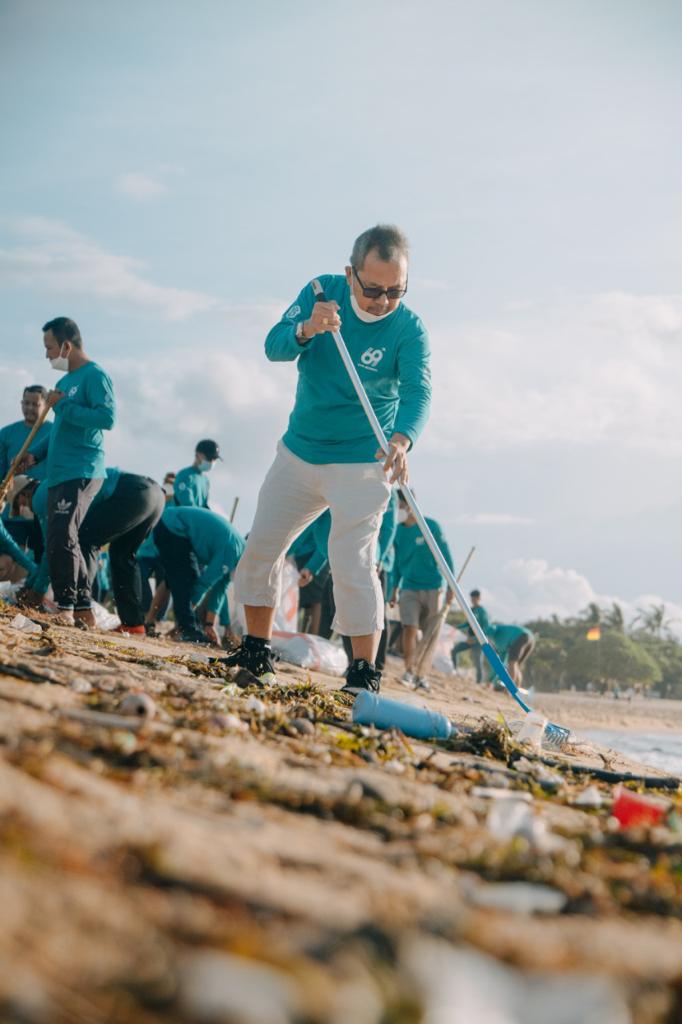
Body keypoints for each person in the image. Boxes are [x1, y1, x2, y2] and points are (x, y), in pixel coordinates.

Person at [230, 224, 431, 692]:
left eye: (395, 291)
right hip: (300, 451)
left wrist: (402, 440)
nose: (382, 300)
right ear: (351, 273)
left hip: (364, 461)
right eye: (373, 288)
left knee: (353, 564)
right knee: (261, 547)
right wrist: (306, 329)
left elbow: (419, 391)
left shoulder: (408, 328)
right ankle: (256, 650)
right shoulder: (322, 292)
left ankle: (363, 674)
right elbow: (273, 346)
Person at [21, 317, 115, 627]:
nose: (47, 355)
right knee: (61, 536)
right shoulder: (62, 384)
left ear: (66, 345)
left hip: (83, 468)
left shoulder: (94, 376)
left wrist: (65, 407)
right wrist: (36, 454)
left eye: (49, 348)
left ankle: (66, 606)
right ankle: (83, 607)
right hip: (59, 471)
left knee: (62, 535)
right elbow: (58, 429)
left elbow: (106, 418)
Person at [21, 468, 164, 634]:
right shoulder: (54, 482)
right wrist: (33, 584)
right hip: (154, 495)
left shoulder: (40, 495)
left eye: (21, 505)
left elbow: (54, 546)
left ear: (24, 494)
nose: (25, 510)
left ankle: (81, 609)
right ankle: (133, 625)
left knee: (85, 541)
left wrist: (37, 589)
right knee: (122, 556)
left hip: (130, 492)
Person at [154, 505, 245, 645]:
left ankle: (155, 622)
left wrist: (210, 625)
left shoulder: (239, 556)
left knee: (176, 579)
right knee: (185, 580)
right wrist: (187, 616)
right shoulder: (233, 553)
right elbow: (204, 584)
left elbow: (219, 591)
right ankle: (188, 630)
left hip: (176, 528)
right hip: (173, 526)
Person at [392, 490, 454, 690]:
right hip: (408, 587)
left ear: (410, 504)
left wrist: (451, 584)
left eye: (399, 505)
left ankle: (422, 674)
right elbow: (395, 565)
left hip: (433, 587)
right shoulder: (397, 531)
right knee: (409, 628)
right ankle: (409, 671)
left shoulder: (431, 526)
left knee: (430, 633)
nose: (397, 509)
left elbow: (445, 557)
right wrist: (393, 588)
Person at [288, 509, 331, 635]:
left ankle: (313, 642)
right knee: (296, 597)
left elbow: (309, 526)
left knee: (315, 600)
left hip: (316, 553)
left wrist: (311, 567)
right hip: (300, 553)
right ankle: (290, 635)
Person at [0, 385, 52, 489]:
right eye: (26, 403)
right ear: (21, 403)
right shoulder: (5, 433)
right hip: (12, 499)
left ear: (46, 405)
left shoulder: (54, 432)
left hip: (44, 496)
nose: (29, 408)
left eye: (35, 404)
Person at [451, 589, 491, 684]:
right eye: (472, 598)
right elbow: (468, 623)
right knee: (455, 650)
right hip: (469, 640)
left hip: (478, 641)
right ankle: (454, 672)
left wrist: (474, 639)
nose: (473, 600)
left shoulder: (482, 611)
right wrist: (456, 628)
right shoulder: (471, 610)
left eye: (475, 598)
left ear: (479, 598)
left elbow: (486, 629)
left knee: (478, 662)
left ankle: (479, 682)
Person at [174, 440, 221, 508]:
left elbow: (204, 507)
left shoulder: (205, 481)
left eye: (214, 459)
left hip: (196, 517)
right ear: (197, 455)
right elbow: (187, 506)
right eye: (209, 458)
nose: (212, 461)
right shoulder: (185, 476)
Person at [490, 623, 536, 688]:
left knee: (512, 663)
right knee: (517, 665)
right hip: (531, 638)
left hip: (522, 637)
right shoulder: (502, 629)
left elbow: (500, 662)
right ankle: (517, 688)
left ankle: (509, 690)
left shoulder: (498, 636)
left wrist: (490, 681)